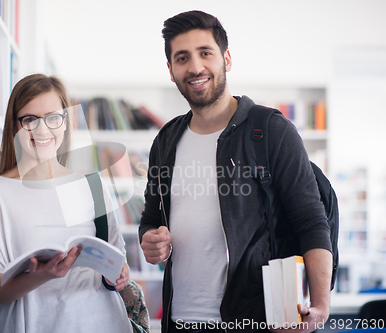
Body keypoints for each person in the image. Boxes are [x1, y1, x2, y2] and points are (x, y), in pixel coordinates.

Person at [139, 10, 333, 333]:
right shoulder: (166, 140)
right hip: (179, 322)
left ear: (226, 59)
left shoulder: (271, 130)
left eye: (205, 53)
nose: (196, 67)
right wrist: (149, 239)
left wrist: (321, 306)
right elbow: (151, 217)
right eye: (182, 58)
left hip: (254, 322)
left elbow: (311, 220)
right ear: (171, 71)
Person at [0, 74, 133, 333]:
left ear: (65, 123)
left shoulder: (93, 187)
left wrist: (120, 275)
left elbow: (119, 261)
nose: (42, 130)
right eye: (30, 120)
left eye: (53, 118)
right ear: (15, 126)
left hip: (105, 323)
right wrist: (39, 276)